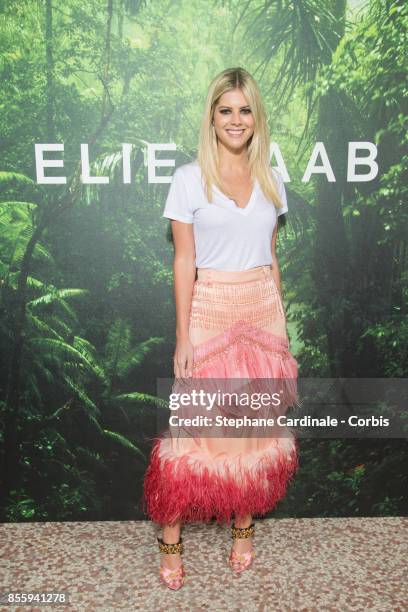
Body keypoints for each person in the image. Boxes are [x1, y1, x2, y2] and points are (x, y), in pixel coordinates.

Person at [142, 67, 299, 590]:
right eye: (226, 109)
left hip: (261, 312)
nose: (236, 120)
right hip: (209, 311)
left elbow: (272, 257)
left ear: (257, 117)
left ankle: (243, 528)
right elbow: (183, 260)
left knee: (253, 428)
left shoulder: (272, 179)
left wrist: (281, 327)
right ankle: (170, 538)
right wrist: (184, 335)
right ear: (212, 116)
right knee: (195, 431)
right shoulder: (189, 178)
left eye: (245, 109)